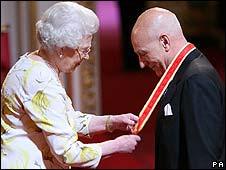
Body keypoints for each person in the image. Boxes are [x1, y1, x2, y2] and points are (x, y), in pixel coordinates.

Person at [1, 2, 141, 169]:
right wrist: (117, 145)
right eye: (83, 50)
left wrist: (111, 122)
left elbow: (62, 118)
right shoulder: (41, 83)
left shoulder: (33, 63)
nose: (86, 57)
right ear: (62, 48)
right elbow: (69, 154)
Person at [131, 7, 225, 169]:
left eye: (143, 53)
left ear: (164, 42)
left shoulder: (196, 80)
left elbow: (205, 161)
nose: (141, 63)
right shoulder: (183, 73)